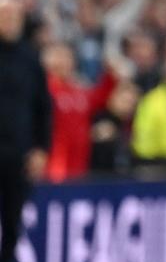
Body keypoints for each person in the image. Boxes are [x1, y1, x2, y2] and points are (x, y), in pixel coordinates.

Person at [0, 0, 51, 262]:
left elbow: (43, 108)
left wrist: (40, 148)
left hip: (17, 156)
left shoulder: (30, 58)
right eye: (5, 15)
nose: (10, 21)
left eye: (14, 15)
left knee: (13, 224)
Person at [43, 42, 120, 182]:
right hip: (55, 159)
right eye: (60, 57)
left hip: (80, 159)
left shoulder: (79, 92)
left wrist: (110, 75)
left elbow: (100, 98)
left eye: (68, 57)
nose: (64, 62)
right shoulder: (45, 89)